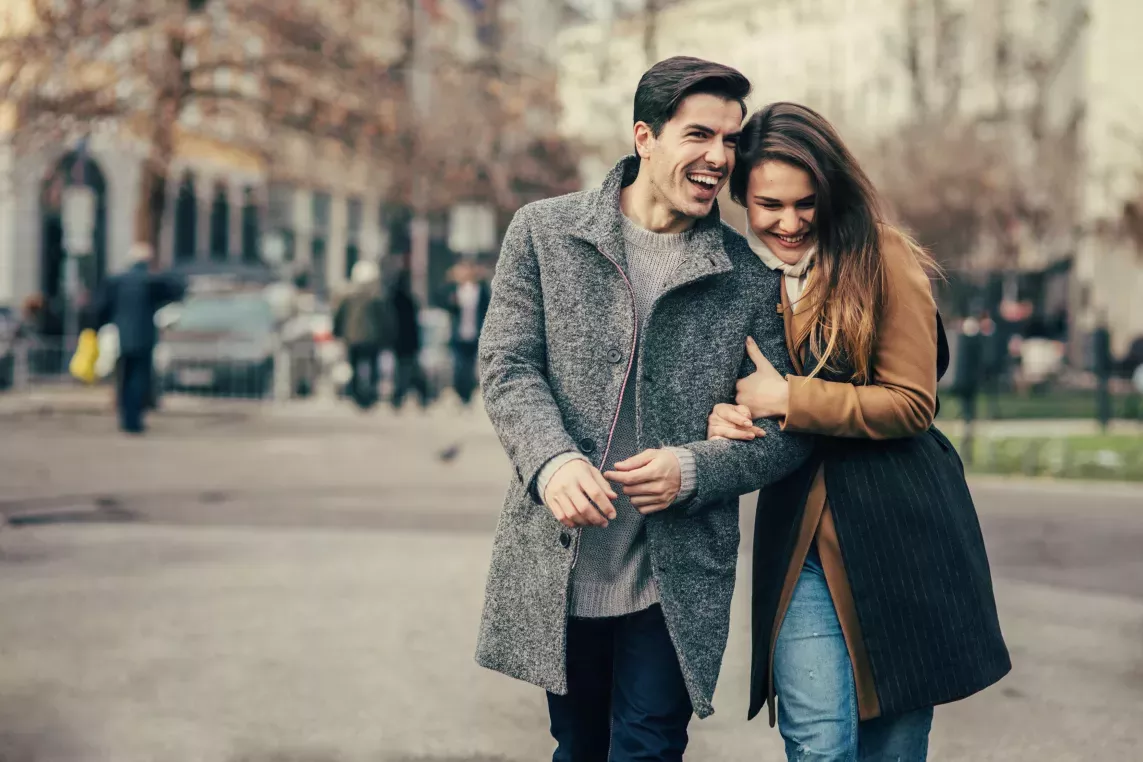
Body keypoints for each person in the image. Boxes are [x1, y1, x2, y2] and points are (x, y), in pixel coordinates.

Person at [475, 57, 812, 760]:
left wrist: (696, 469)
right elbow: (506, 365)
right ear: (644, 137)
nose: (719, 157)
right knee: (577, 746)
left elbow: (784, 435)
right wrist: (551, 461)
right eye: (698, 135)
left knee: (648, 747)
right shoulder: (543, 232)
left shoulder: (747, 278)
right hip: (561, 564)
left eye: (729, 139)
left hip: (674, 576)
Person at [705, 102, 1010, 761]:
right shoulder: (741, 282)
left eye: (804, 203)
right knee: (818, 745)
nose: (787, 222)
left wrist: (789, 396)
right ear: (740, 197)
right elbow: (731, 389)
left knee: (892, 748)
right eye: (767, 205)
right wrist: (725, 415)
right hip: (799, 542)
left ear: (831, 190)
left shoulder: (884, 257)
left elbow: (909, 402)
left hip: (898, 530)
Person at [92, 242, 186, 434]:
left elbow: (101, 307)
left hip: (121, 337)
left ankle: (126, 417)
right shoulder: (152, 281)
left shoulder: (117, 281)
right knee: (139, 378)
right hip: (144, 338)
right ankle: (134, 419)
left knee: (123, 377)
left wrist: (100, 327)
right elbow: (178, 290)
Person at [333, 260, 389, 409]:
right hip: (371, 338)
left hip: (354, 338)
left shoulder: (349, 298)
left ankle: (357, 393)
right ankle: (368, 393)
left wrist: (337, 333)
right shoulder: (376, 299)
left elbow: (339, 317)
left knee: (356, 365)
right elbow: (383, 320)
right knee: (371, 366)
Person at [442, 259, 490, 407]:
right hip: (458, 335)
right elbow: (442, 300)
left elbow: (487, 309)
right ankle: (460, 394)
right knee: (458, 366)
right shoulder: (454, 290)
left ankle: (467, 396)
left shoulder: (481, 290)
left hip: (475, 334)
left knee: (469, 368)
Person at [389, 270, 428, 411]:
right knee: (408, 371)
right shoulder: (408, 301)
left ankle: (400, 397)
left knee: (405, 371)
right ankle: (404, 396)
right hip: (408, 342)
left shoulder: (393, 301)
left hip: (400, 342)